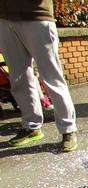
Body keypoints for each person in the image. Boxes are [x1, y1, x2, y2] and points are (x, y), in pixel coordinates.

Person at [0, 0, 78, 151]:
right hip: (5, 18)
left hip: (37, 15)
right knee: (18, 78)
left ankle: (68, 129)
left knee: (51, 77)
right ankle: (31, 126)